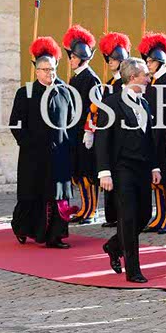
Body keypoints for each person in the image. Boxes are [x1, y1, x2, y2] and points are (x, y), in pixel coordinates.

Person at [10, 37, 77, 248]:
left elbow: (72, 122)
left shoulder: (65, 92)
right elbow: (16, 124)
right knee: (32, 195)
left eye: (53, 69)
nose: (50, 73)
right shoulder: (25, 93)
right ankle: (22, 227)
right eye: (45, 70)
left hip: (59, 155)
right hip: (33, 156)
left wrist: (69, 146)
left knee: (58, 196)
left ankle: (55, 236)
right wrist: (28, 144)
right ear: (37, 71)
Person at [98, 58, 159, 283]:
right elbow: (102, 139)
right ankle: (133, 270)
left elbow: (149, 138)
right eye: (145, 75)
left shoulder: (145, 103)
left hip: (142, 169)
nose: (149, 78)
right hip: (121, 169)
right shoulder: (111, 103)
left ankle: (114, 246)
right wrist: (104, 172)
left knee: (144, 215)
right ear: (133, 77)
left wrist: (155, 166)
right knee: (129, 217)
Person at [138, 32, 166, 235]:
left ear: (161, 61)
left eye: (151, 61)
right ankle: (160, 216)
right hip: (153, 137)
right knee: (157, 182)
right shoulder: (151, 82)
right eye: (147, 61)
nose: (148, 64)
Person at [63, 25, 100, 225]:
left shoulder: (91, 78)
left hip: (86, 132)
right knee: (78, 173)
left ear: (82, 58)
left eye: (73, 57)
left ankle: (92, 210)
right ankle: (84, 207)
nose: (70, 60)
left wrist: (89, 130)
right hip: (74, 130)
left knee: (87, 174)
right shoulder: (75, 77)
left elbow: (95, 108)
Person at [95, 31, 131, 228]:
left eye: (114, 59)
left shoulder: (121, 85)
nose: (110, 61)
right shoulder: (110, 83)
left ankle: (119, 215)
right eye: (109, 58)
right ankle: (112, 215)